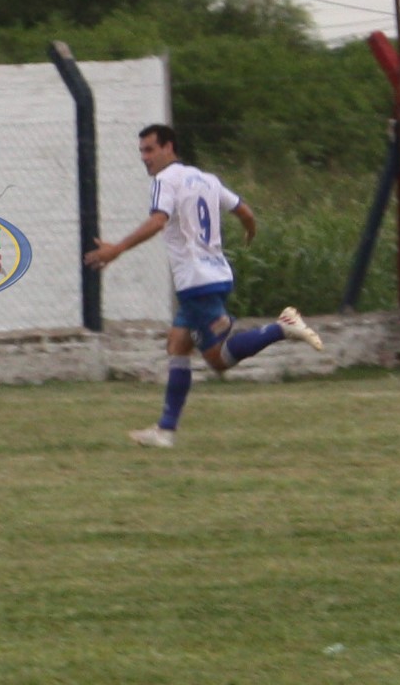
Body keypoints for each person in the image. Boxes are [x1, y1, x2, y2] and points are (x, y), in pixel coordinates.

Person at [84, 123, 324, 449]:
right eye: (142, 151)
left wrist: (117, 249)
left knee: (218, 360)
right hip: (217, 275)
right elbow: (245, 211)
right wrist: (249, 230)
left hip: (195, 282)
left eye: (150, 149)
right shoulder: (207, 180)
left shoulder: (164, 181)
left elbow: (158, 221)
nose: (145, 157)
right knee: (178, 344)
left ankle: (282, 328)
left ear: (170, 148)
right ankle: (165, 431)